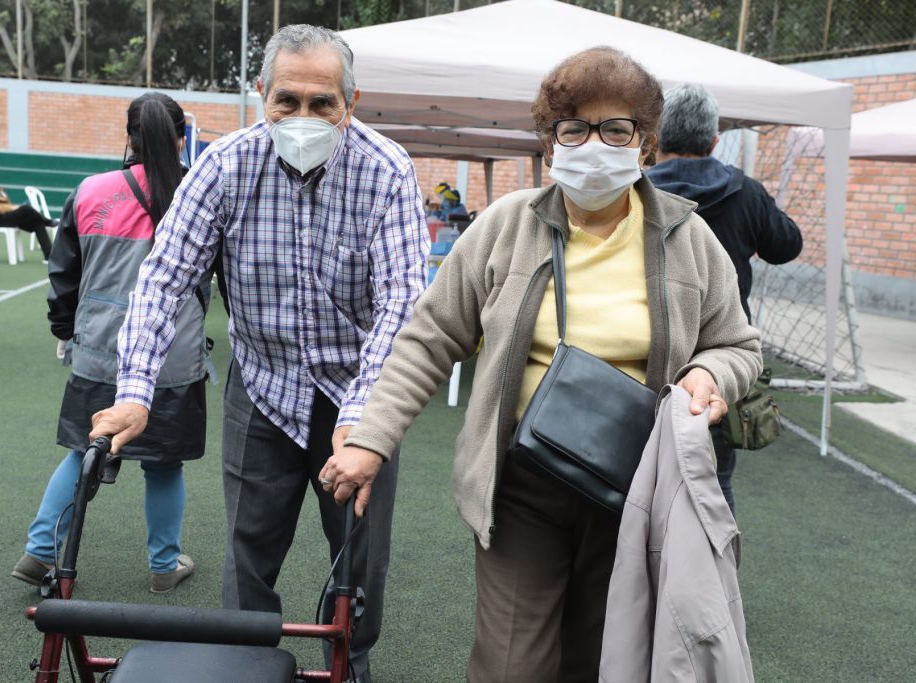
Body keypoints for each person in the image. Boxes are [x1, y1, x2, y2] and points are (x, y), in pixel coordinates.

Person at [318, 47, 762, 681]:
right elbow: (430, 337)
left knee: (603, 658)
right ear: (551, 144)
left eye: (617, 128)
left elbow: (738, 344)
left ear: (646, 144)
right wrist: (373, 438)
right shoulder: (506, 225)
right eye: (574, 127)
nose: (594, 143)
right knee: (511, 665)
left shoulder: (688, 239)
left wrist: (709, 374)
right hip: (521, 483)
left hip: (635, 489)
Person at [87, 25, 428, 681]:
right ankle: (241, 663)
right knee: (248, 549)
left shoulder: (387, 171)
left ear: (350, 103)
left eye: (322, 103)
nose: (304, 117)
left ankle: (348, 657)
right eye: (288, 100)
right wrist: (135, 390)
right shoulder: (224, 166)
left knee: (362, 555)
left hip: (359, 390)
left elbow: (403, 302)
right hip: (263, 386)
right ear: (261, 96)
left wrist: (364, 412)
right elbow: (163, 280)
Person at [11, 92, 209, 594]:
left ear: (129, 135)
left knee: (83, 452)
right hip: (174, 358)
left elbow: (64, 275)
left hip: (99, 351)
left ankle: (38, 552)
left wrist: (64, 331)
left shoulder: (90, 190)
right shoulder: (200, 192)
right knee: (164, 465)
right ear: (181, 136)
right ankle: (165, 565)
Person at [646, 83, 803, 515]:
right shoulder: (745, 190)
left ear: (654, 138)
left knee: (634, 474)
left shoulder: (632, 191)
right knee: (714, 479)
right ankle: (712, 576)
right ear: (714, 141)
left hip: (643, 351)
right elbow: (787, 244)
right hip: (722, 355)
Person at [0, 162, 56, 262]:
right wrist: (11, 208)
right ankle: (47, 221)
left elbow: (4, 199)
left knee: (37, 223)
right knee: (25, 209)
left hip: (4, 216)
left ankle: (49, 256)